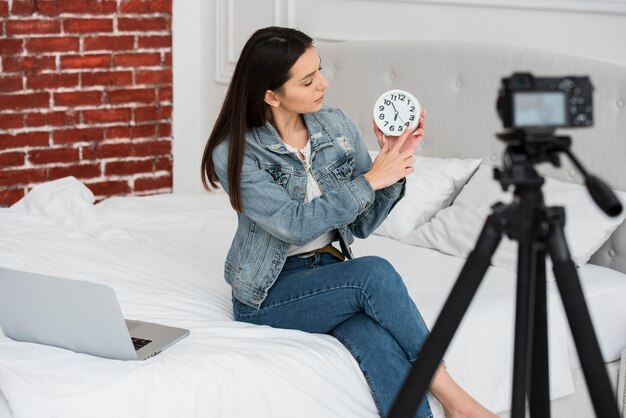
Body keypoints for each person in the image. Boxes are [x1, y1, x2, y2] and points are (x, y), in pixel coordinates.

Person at [201, 26, 497, 418]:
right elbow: (294, 224)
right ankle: (458, 400)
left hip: (329, 275)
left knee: (378, 343)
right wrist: (371, 179)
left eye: (319, 70)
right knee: (373, 273)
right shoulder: (236, 152)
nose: (323, 83)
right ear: (271, 95)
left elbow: (359, 224)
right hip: (268, 294)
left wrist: (392, 165)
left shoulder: (336, 126)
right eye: (308, 80)